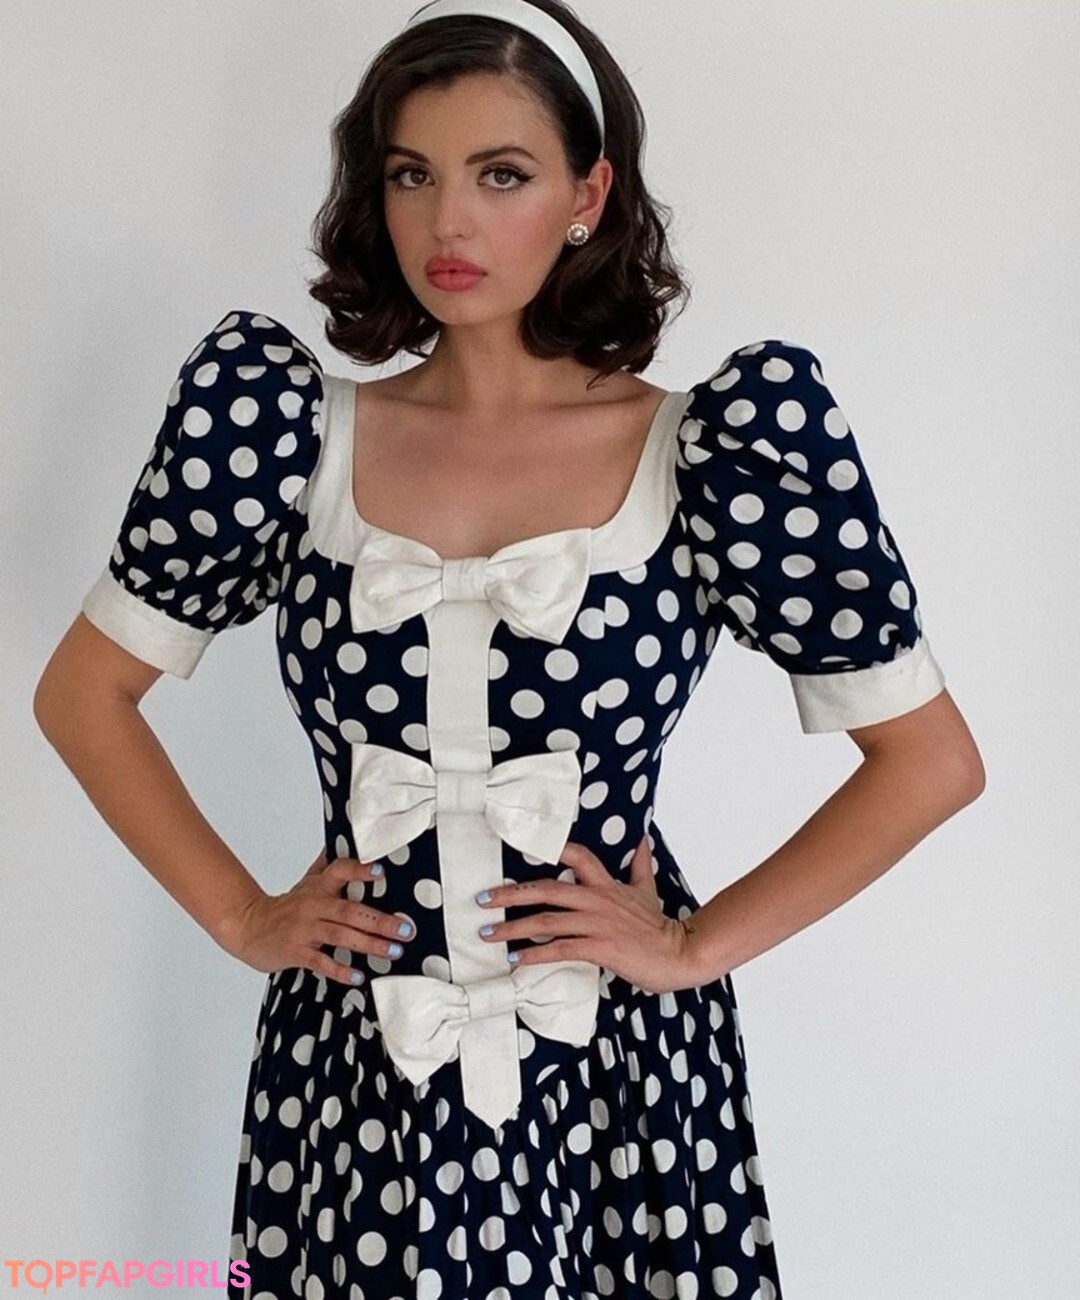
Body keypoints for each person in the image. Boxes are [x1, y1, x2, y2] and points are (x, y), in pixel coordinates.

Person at [33, 0, 984, 1295]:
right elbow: (86, 694)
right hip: (358, 1061)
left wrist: (693, 948)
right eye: (410, 175)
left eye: (502, 175)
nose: (449, 225)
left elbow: (929, 761)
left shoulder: (714, 449)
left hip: (617, 1077)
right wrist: (243, 916)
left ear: (588, 195)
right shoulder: (286, 431)